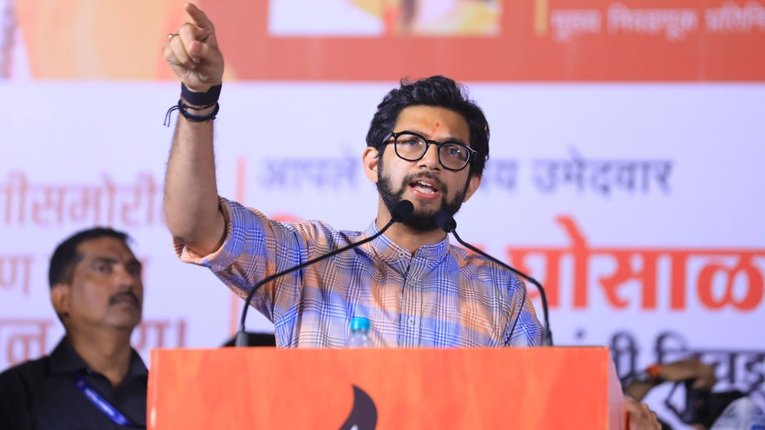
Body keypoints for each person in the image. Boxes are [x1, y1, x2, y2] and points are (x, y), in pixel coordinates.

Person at [162, 4, 658, 428]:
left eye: (452, 152)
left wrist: (612, 414)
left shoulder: (503, 293)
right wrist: (198, 100)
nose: (430, 162)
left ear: (471, 184)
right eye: (411, 143)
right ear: (373, 162)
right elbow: (193, 226)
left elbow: (543, 413)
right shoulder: (307, 257)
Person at [0, 228, 147, 429]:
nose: (127, 281)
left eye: (133, 270)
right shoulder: (17, 391)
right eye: (103, 269)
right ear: (62, 299)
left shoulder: (164, 391)